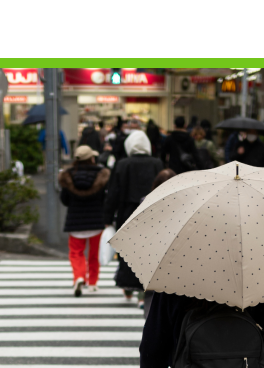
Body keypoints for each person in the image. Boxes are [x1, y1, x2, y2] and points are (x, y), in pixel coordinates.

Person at [104, 130, 164, 304]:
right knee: (149, 253)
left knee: (127, 252)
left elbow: (113, 192)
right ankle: (144, 291)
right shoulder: (157, 163)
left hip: (127, 214)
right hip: (152, 213)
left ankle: (128, 288)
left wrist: (108, 216)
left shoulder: (122, 164)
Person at [59, 145, 110, 296]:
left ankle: (79, 276)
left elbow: (65, 199)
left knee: (76, 252)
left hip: (75, 220)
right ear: (91, 158)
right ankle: (93, 282)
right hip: (96, 220)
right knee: (94, 254)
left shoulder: (68, 176)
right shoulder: (101, 175)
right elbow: (105, 199)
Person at [141, 168, 176, 316]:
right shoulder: (183, 202)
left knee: (151, 297)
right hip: (174, 257)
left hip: (153, 257)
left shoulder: (146, 202)